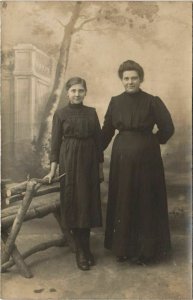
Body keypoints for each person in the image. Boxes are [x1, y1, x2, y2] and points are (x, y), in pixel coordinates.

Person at [101, 60, 174, 264]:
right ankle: (123, 249)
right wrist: (94, 149)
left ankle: (147, 251)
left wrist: (152, 141)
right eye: (126, 78)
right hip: (122, 156)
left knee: (145, 199)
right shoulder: (115, 101)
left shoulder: (152, 101)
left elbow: (168, 127)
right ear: (121, 80)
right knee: (124, 198)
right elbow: (107, 130)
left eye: (134, 78)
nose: (130, 81)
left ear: (140, 79)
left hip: (147, 158)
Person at [44, 77, 104, 271]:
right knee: (74, 203)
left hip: (89, 161)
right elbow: (54, 144)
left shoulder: (91, 113)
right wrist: (53, 169)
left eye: (80, 91)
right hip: (69, 160)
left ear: (85, 92)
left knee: (86, 203)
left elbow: (98, 142)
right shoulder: (60, 114)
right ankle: (81, 251)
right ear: (67, 93)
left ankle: (85, 248)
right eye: (73, 91)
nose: (77, 94)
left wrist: (100, 167)